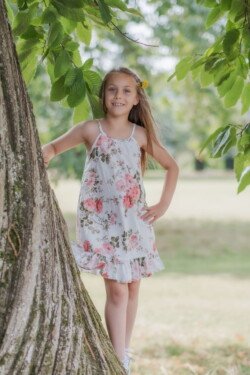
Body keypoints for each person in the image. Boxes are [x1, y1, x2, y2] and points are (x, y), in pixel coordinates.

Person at [42, 67, 179, 374]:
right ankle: (118, 360)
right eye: (112, 90)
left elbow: (173, 167)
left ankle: (125, 352)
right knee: (116, 289)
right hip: (101, 222)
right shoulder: (90, 129)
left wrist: (163, 204)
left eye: (126, 91)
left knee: (131, 287)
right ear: (103, 96)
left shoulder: (140, 135)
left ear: (136, 99)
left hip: (134, 223)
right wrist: (43, 154)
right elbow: (53, 147)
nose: (119, 96)